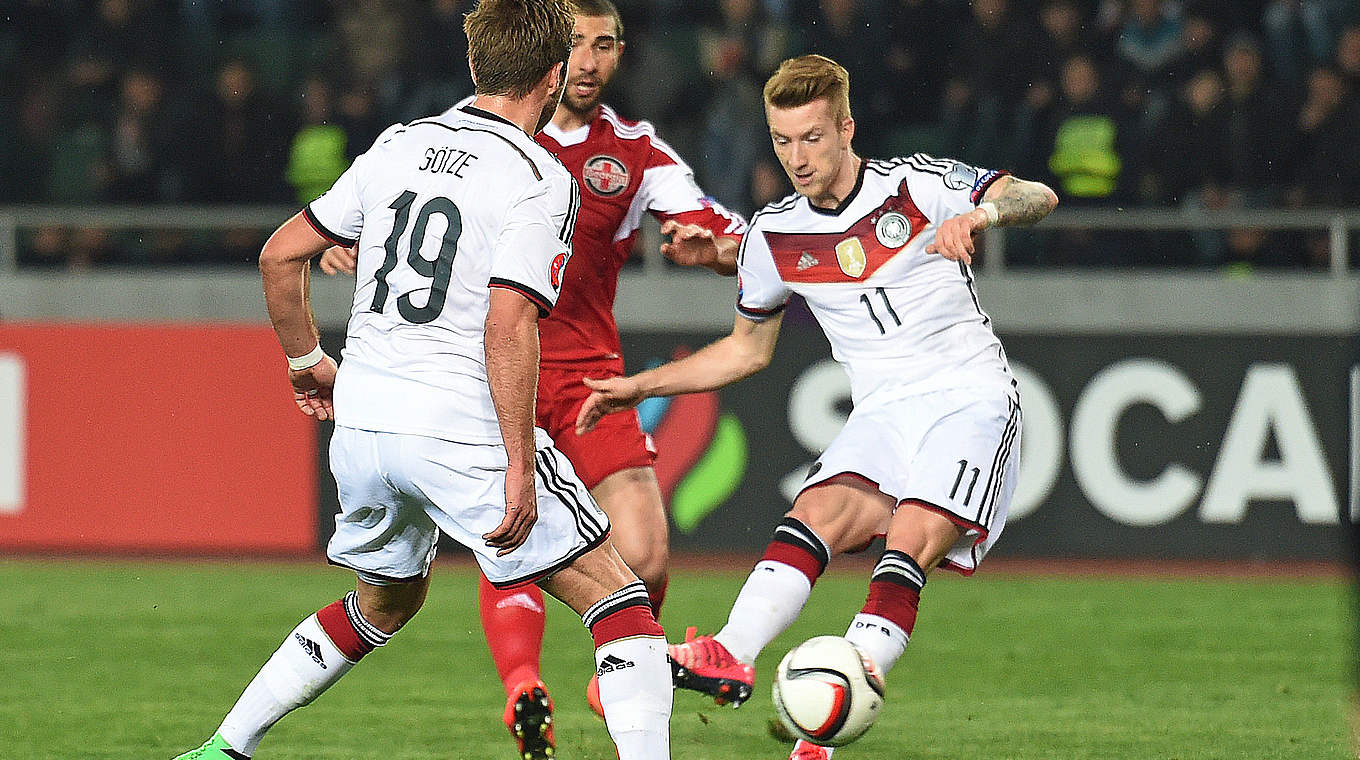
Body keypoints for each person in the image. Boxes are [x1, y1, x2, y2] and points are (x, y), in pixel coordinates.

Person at [171, 2, 674, 759]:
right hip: (457, 423)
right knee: (621, 599)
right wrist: (516, 462)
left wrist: (307, 363)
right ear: (553, 74)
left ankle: (221, 749)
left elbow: (281, 255)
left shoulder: (399, 145)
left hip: (365, 422)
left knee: (383, 604)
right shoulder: (541, 175)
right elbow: (508, 324)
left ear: (475, 66)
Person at [577, 54, 1058, 760]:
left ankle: (825, 724)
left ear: (845, 129)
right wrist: (640, 387)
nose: (797, 157)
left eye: (811, 138)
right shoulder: (775, 235)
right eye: (781, 141)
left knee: (910, 540)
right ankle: (730, 656)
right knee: (812, 518)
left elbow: (1039, 196)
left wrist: (982, 213)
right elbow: (746, 351)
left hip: (969, 399)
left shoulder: (914, 186)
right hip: (881, 413)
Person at [321, 2, 745, 755]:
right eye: (577, 44)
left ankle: (610, 670)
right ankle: (524, 683)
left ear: (621, 53)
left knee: (644, 555)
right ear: (551, 56)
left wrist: (708, 248)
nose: (589, 61)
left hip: (588, 379)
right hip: (487, 372)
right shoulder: (474, 130)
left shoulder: (637, 151)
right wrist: (344, 243)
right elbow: (398, 211)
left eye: (605, 45)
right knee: (511, 535)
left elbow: (724, 234)